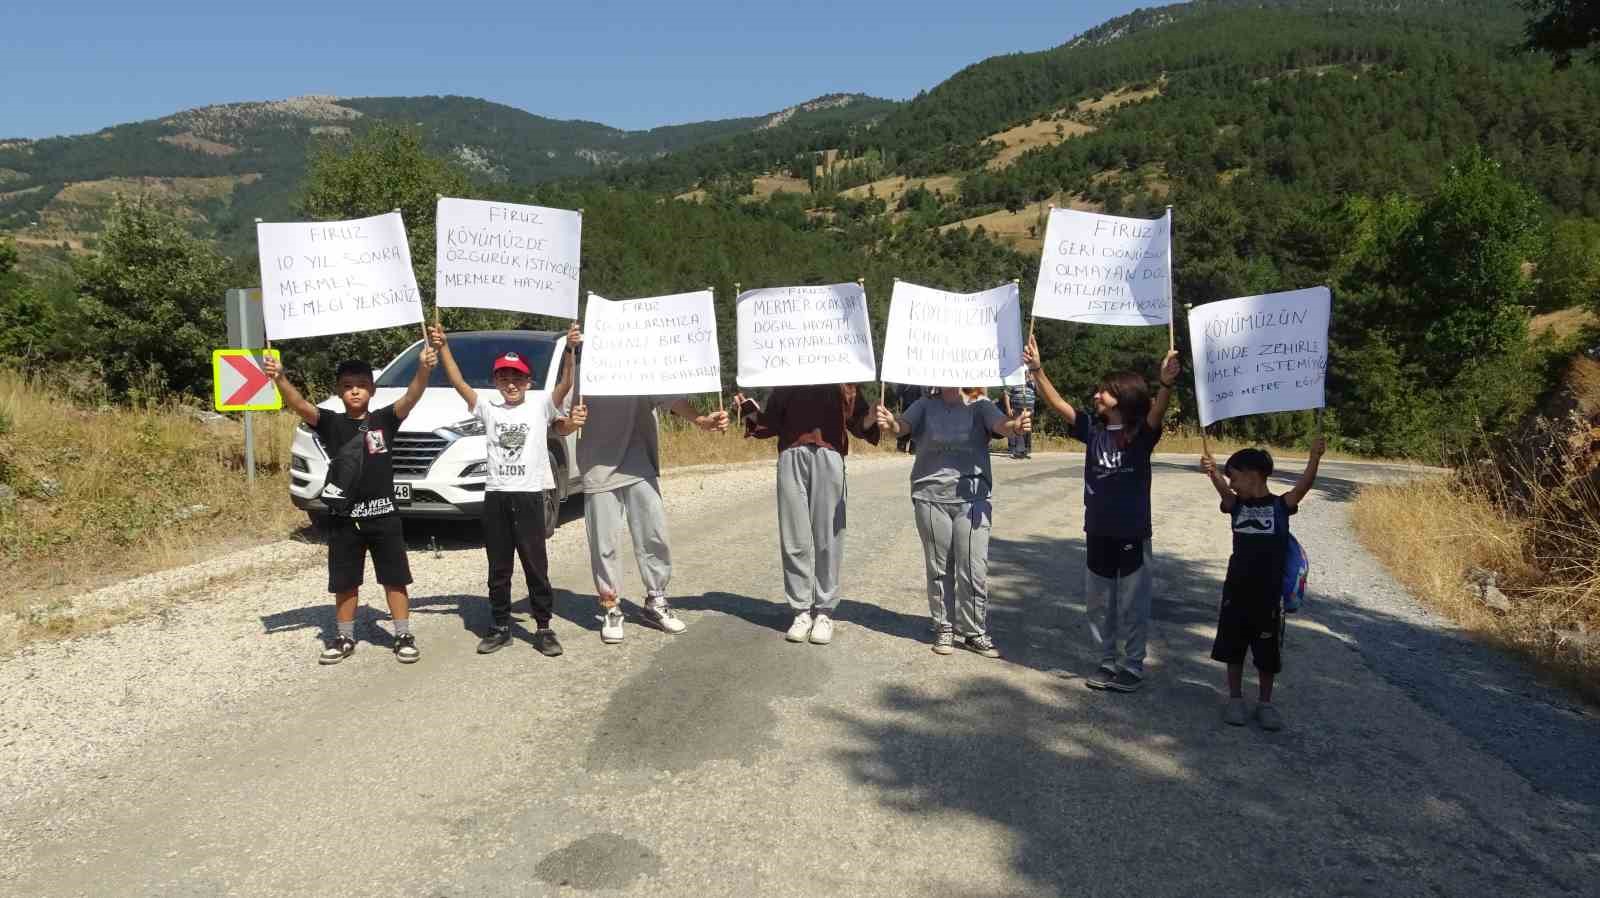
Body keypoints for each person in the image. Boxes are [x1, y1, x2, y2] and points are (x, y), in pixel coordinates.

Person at [553, 325, 729, 645]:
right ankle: (610, 606)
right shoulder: (579, 367)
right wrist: (570, 423)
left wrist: (700, 420)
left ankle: (656, 599)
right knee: (604, 543)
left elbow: (670, 398)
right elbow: (559, 424)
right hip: (597, 467)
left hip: (638, 461)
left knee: (654, 535)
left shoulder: (639, 363)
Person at [1023, 334, 1180, 692]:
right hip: (1097, 531)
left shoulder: (1142, 435)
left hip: (1132, 533)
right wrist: (1037, 370)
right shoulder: (1091, 430)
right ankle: (1106, 662)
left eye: (1103, 391)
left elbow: (1158, 409)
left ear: (1122, 398)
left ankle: (1133, 665)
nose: (1096, 395)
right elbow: (1058, 403)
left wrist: (1166, 382)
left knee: (1132, 604)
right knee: (1098, 604)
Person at [266, 346, 436, 666]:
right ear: (338, 391)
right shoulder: (330, 423)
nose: (354, 390)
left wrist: (424, 369)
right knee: (345, 581)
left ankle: (402, 634)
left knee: (394, 577)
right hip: (345, 519)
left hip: (384, 516)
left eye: (360, 384)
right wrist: (280, 378)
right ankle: (345, 636)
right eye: (346, 385)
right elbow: (299, 404)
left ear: (372, 389)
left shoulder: (386, 419)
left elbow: (412, 396)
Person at [429, 323, 585, 657]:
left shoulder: (541, 404)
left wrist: (571, 349)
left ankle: (543, 627)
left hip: (530, 494)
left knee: (535, 565)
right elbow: (458, 382)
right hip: (497, 495)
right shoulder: (488, 407)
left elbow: (566, 383)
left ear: (528, 381)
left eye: (517, 377)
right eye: (504, 377)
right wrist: (442, 347)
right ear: (496, 381)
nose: (511, 383)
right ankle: (500, 625)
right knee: (498, 567)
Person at [877, 386, 1032, 657]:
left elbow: (1001, 425)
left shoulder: (980, 404)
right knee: (939, 567)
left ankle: (974, 632)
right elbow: (901, 427)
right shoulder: (925, 404)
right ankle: (944, 626)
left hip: (973, 497)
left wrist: (1015, 426)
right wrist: (890, 423)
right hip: (930, 494)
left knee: (973, 568)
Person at [732, 384, 880, 645]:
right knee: (794, 536)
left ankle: (824, 611)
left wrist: (871, 417)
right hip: (791, 454)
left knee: (829, 538)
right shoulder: (788, 376)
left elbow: (858, 423)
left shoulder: (842, 380)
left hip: (829, 453)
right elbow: (769, 423)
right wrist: (749, 411)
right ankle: (801, 611)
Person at [1200, 439, 1324, 731]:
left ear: (1253, 474)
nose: (1231, 484)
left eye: (1234, 476)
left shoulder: (1281, 506)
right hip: (1236, 591)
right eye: (1228, 478)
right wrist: (1213, 473)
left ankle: (1265, 703)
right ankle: (1235, 699)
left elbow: (1303, 487)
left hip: (1268, 596)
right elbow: (1222, 490)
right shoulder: (1235, 505)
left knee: (1267, 653)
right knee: (1233, 647)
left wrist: (1314, 458)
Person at [1002, 371, 1037, 459]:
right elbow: (1006, 394)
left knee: (1026, 428)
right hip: (1017, 409)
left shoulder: (1031, 383)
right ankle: (1013, 450)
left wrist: (1033, 381)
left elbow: (1038, 392)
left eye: (1028, 372)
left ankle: (1025, 449)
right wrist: (1008, 408)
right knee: (1014, 428)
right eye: (1026, 372)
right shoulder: (1013, 381)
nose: (1027, 374)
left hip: (1029, 410)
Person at [894, 383, 926, 454]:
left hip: (907, 406)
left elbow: (898, 394)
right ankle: (912, 449)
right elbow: (923, 395)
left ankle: (902, 447)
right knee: (914, 427)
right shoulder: (920, 381)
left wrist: (897, 403)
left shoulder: (905, 380)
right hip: (915, 406)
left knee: (904, 425)